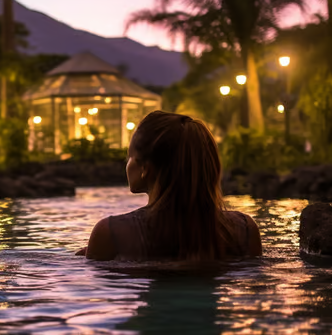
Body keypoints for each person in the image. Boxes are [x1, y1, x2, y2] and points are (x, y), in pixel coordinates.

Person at [75, 111, 262, 261]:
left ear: (144, 169)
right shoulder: (244, 230)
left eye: (128, 156)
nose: (127, 163)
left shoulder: (111, 233)